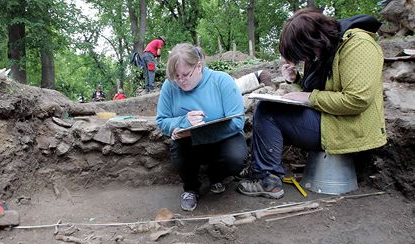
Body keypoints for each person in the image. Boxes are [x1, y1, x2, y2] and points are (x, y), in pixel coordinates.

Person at [237, 8, 387, 199]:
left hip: (351, 128)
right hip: (333, 120)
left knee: (269, 113)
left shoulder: (358, 45)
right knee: (268, 108)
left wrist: (310, 97)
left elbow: (357, 100)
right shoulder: (326, 48)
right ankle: (263, 170)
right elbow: (322, 89)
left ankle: (267, 179)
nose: (305, 59)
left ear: (312, 39)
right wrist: (296, 79)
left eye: (303, 54)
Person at [156, 43, 247, 212]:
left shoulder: (222, 80)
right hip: (188, 144)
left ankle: (217, 176)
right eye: (176, 76)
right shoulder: (170, 86)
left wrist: (198, 134)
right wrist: (183, 121)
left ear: (198, 66)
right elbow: (162, 121)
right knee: (179, 152)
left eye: (185, 75)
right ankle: (191, 188)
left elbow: (237, 121)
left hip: (224, 139)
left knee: (236, 157)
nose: (181, 81)